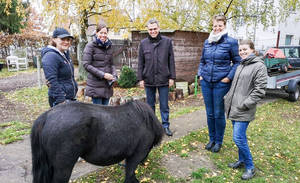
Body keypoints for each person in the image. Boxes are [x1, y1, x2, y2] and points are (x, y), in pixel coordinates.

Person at [224, 39, 267, 180]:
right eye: (240, 50)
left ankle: (250, 167)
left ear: (253, 50)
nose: (242, 52)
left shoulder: (258, 66)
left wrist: (245, 104)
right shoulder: (241, 65)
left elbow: (260, 90)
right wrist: (228, 97)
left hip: (244, 108)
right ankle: (241, 161)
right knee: (240, 137)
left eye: (245, 50)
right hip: (234, 107)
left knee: (238, 137)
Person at [197, 15, 241, 152]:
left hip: (221, 83)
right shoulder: (207, 42)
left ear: (224, 26)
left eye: (220, 26)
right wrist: (200, 75)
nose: (217, 28)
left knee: (218, 113)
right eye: (215, 26)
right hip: (206, 82)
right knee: (209, 113)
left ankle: (218, 141)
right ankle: (211, 139)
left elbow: (238, 61)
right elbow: (202, 60)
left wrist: (228, 77)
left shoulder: (231, 42)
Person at [137, 18, 176, 136]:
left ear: (158, 29)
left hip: (164, 78)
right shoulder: (143, 44)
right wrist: (140, 79)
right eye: (150, 29)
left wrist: (172, 77)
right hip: (148, 79)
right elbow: (140, 62)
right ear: (147, 30)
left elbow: (171, 61)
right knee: (150, 105)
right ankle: (152, 128)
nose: (153, 31)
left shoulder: (167, 42)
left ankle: (165, 126)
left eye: (154, 29)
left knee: (164, 105)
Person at [41, 27, 78, 107]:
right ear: (54, 39)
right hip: (60, 101)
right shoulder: (50, 56)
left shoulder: (64, 55)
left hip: (69, 98)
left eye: (68, 40)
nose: (66, 42)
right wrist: (61, 100)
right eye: (62, 39)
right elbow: (52, 81)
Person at [83, 22, 117, 105]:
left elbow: (111, 64)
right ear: (97, 33)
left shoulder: (109, 46)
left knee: (106, 113)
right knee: (98, 114)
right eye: (101, 32)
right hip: (95, 86)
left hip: (107, 86)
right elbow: (86, 65)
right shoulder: (90, 46)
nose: (103, 35)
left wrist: (114, 75)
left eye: (105, 33)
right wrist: (103, 75)